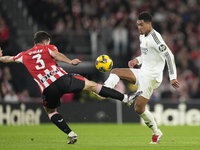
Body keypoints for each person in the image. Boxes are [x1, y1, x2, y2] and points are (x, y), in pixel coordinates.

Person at [0, 31, 140, 144]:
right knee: (92, 85)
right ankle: (125, 98)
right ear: (45, 41)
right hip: (62, 80)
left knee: (50, 112)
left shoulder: (24, 55)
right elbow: (56, 54)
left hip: (48, 89)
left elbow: (8, 59)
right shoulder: (48, 47)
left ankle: (70, 134)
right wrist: (70, 61)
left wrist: (0, 57)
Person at [104, 12, 180, 144]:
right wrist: (136, 60)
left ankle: (156, 132)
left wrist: (173, 77)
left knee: (138, 108)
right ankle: (104, 90)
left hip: (152, 78)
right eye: (138, 25)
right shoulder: (142, 36)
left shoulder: (156, 38)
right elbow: (147, 54)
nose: (139, 27)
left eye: (141, 25)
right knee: (115, 71)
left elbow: (169, 56)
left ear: (149, 24)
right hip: (142, 71)